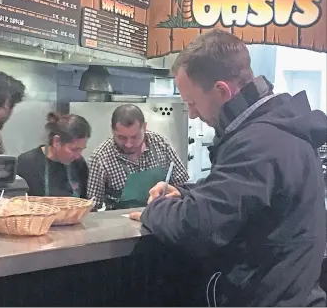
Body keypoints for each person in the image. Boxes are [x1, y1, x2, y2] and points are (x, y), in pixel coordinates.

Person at [130, 30, 327, 306]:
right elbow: (247, 196)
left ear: (222, 91)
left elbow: (196, 227)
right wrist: (187, 193)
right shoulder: (278, 129)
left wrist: (156, 207)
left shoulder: (259, 142)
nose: (194, 113)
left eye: (192, 102)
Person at [87, 104, 189, 210]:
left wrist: (174, 195)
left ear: (144, 127)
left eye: (135, 137)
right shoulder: (100, 158)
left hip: (160, 215)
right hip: (120, 221)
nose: (128, 144)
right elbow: (93, 207)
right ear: (112, 131)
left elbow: (182, 184)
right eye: (122, 138)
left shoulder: (160, 143)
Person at [17, 112, 91, 198]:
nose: (78, 156)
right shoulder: (27, 163)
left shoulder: (79, 164)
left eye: (81, 149)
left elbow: (84, 201)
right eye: (74, 149)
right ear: (56, 141)